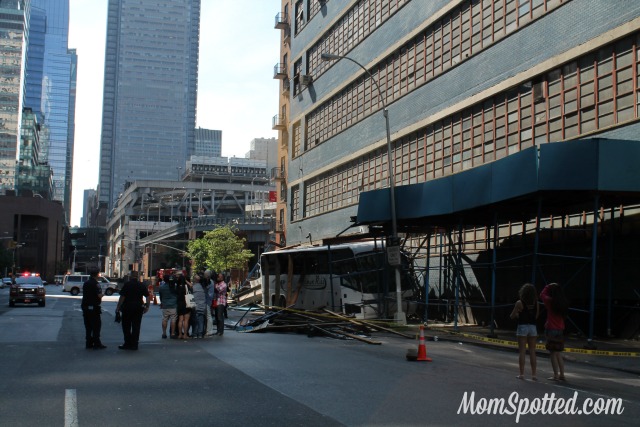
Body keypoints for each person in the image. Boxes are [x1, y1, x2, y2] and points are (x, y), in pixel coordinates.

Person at [540, 282, 569, 381]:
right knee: (558, 353)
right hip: (560, 329)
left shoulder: (550, 301)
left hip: (551, 329)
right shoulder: (563, 303)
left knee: (552, 353)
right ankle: (562, 374)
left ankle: (555, 375)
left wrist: (548, 286)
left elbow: (542, 294)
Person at [510, 283, 539, 380]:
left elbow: (512, 316)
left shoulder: (519, 302)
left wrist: (518, 314)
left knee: (522, 351)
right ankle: (534, 374)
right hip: (532, 327)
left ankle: (522, 374)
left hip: (522, 326)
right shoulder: (536, 303)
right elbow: (536, 316)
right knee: (532, 351)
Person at [115, 271, 150, 350]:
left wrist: (118, 307)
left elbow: (122, 297)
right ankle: (135, 344)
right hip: (138, 307)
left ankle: (127, 343)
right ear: (137, 277)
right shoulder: (141, 285)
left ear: (130, 276)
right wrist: (147, 306)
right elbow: (147, 296)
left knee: (126, 326)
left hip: (127, 307)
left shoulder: (127, 285)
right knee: (136, 326)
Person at [81, 269, 106, 350]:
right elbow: (99, 295)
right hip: (94, 307)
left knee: (88, 326)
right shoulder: (96, 284)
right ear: (97, 275)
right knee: (96, 326)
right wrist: (103, 295)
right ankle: (96, 343)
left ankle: (89, 343)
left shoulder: (86, 283)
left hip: (85, 306)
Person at [158, 274, 178, 339]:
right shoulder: (174, 286)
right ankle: (172, 333)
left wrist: (162, 302)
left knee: (164, 319)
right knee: (173, 319)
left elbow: (161, 296)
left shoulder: (161, 287)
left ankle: (164, 333)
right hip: (173, 304)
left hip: (165, 305)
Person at [175, 274, 192, 339]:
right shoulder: (186, 286)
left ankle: (180, 334)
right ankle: (185, 334)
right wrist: (185, 281)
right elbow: (191, 285)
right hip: (186, 303)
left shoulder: (178, 287)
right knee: (186, 320)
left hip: (179, 304)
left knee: (180, 319)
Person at [191, 273, 207, 338]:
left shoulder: (194, 287)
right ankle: (200, 333)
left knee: (195, 321)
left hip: (196, 306)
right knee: (201, 320)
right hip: (202, 305)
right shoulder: (203, 287)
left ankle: (195, 333)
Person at [203, 270, 215, 337]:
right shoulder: (210, 282)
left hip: (207, 300)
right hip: (207, 300)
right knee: (208, 315)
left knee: (208, 315)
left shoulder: (210, 282)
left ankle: (209, 330)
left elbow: (209, 294)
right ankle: (208, 330)